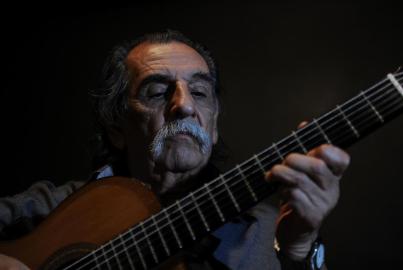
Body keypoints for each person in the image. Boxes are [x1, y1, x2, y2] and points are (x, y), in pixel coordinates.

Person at [0, 30, 350, 269]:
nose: (183, 106)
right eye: (156, 91)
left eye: (199, 92)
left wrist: (299, 251)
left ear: (213, 126)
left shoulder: (271, 231)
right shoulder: (52, 204)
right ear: (116, 128)